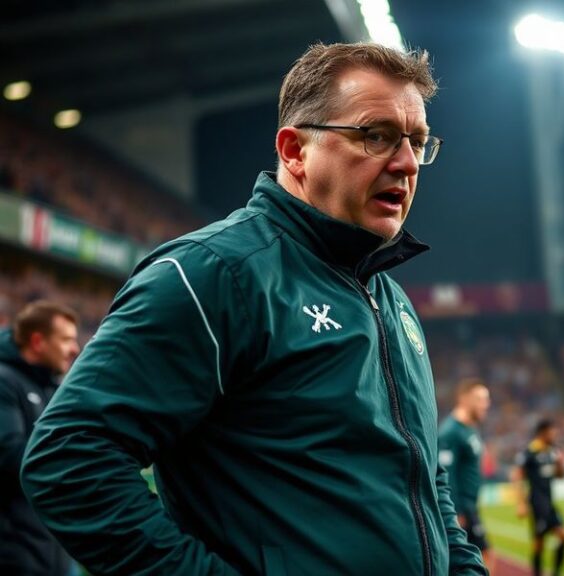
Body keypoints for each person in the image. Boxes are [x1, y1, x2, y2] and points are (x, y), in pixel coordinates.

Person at [20, 42, 488, 576]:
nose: (406, 163)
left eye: (418, 142)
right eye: (374, 136)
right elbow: (69, 459)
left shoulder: (390, 298)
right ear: (294, 151)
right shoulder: (214, 274)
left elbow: (422, 472)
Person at [0, 301, 80, 575]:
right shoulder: (4, 381)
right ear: (37, 341)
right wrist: (74, 456)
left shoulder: (52, 389)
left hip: (50, 553)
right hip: (14, 553)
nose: (75, 349)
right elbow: (9, 455)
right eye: (67, 339)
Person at [438, 378, 494, 573]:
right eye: (480, 399)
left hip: (470, 507)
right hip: (462, 510)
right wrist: (456, 513)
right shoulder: (450, 432)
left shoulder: (469, 429)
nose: (486, 404)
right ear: (464, 399)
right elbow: (445, 474)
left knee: (474, 560)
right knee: (481, 557)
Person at [512, 419, 564, 576]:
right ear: (543, 433)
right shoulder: (530, 452)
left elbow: (561, 476)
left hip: (550, 503)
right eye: (552, 432)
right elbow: (517, 476)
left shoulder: (553, 451)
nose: (555, 435)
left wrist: (560, 463)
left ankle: (555, 572)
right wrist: (521, 503)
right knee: (539, 544)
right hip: (537, 504)